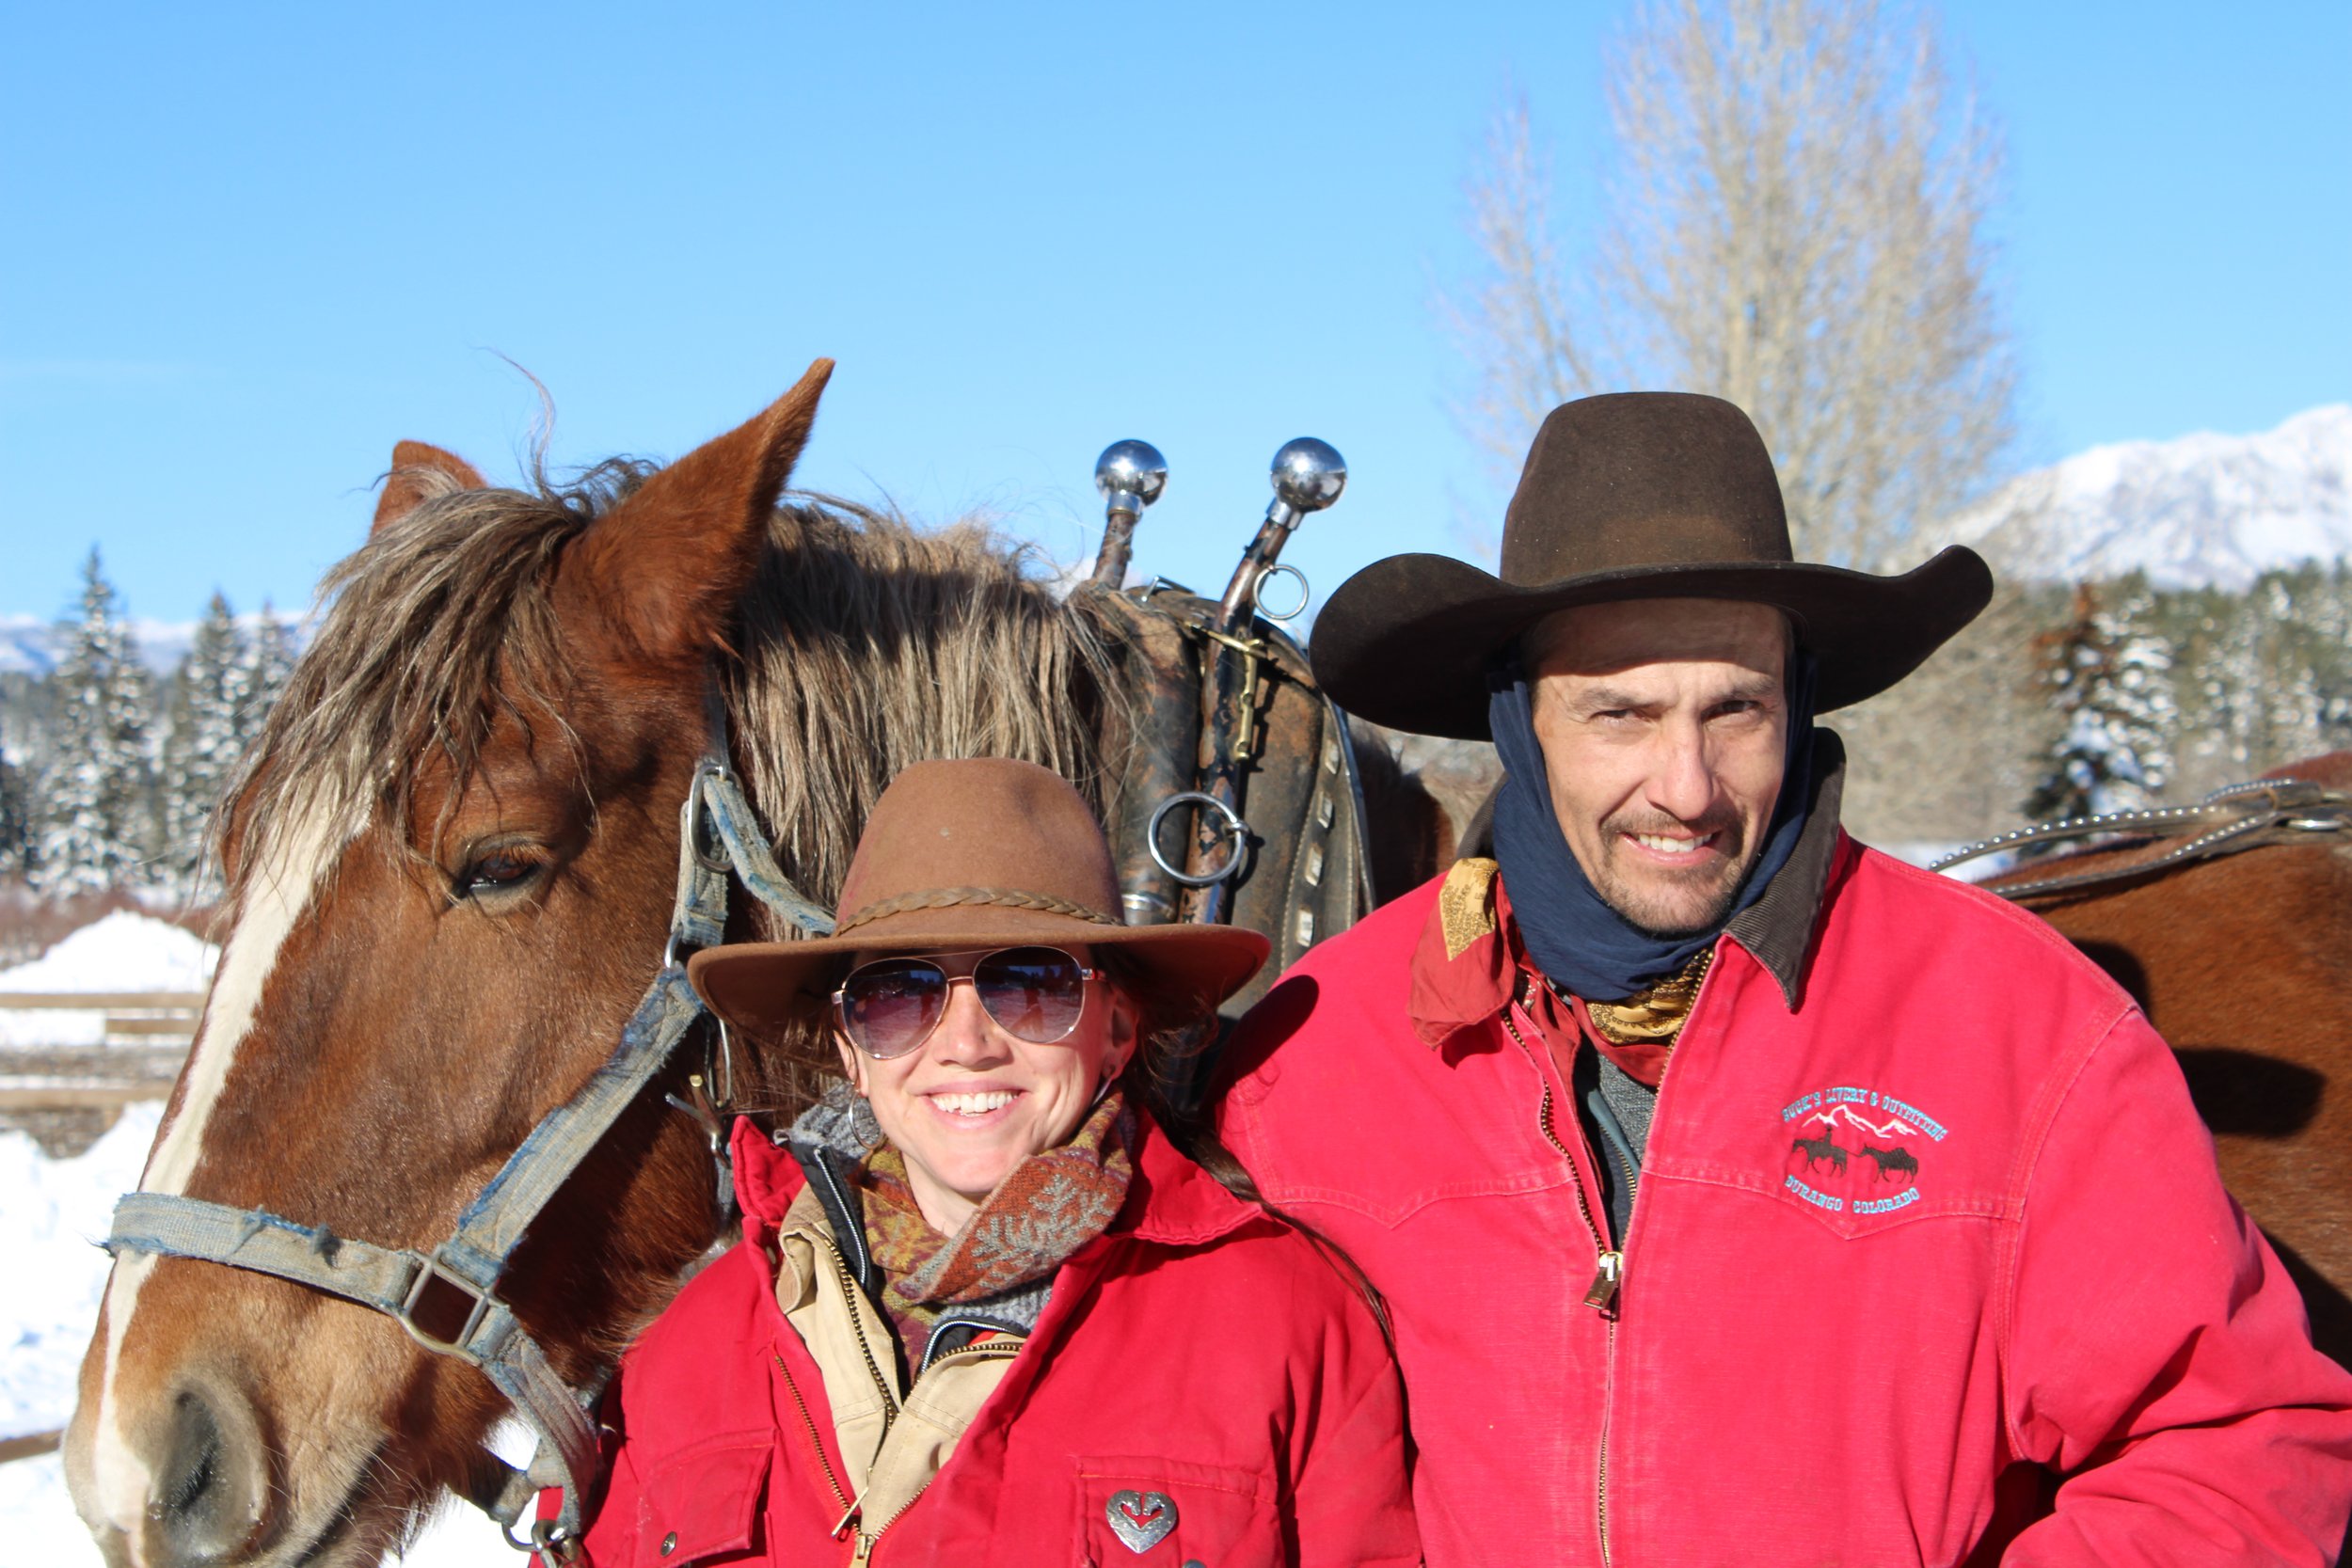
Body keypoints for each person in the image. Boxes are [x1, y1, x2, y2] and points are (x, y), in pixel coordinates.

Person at [1215, 392, 2352, 1564]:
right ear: (1520, 719)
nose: (1688, 784)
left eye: (1735, 709)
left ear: (1795, 698)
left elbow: (2239, 1439)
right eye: (1621, 714)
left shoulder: (2026, 1024)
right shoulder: (1315, 1055)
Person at [574, 757, 1418, 1567]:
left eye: (1029, 985)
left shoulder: (1291, 1328)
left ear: (1117, 1029)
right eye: (901, 995)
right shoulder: (690, 1347)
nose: (968, 1046)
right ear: (853, 1049)